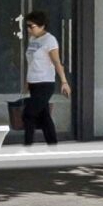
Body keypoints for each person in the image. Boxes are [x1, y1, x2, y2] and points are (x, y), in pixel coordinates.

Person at [18, 10, 69, 148]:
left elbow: (57, 62)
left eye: (31, 26)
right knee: (44, 115)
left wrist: (64, 81)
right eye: (27, 26)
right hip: (34, 82)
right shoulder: (32, 39)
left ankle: (27, 146)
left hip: (45, 83)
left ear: (42, 26)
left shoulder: (49, 40)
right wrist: (27, 82)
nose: (29, 29)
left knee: (28, 114)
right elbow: (31, 62)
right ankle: (52, 145)